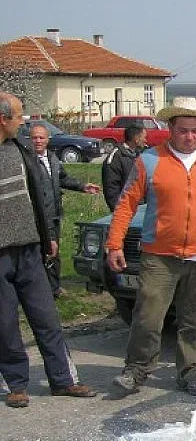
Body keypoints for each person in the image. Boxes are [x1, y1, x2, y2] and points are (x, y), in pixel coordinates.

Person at [105, 97, 196, 396]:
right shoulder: (149, 161)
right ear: (170, 128)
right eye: (183, 130)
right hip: (159, 256)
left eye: (195, 131)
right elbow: (126, 203)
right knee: (148, 317)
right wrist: (114, 244)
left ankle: (190, 370)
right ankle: (136, 370)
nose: (190, 136)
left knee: (194, 319)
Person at [0, 92, 96, 408]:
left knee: (47, 318)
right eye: (19, 117)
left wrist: (47, 236)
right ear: (3, 119)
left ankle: (63, 380)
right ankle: (16, 385)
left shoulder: (22, 150)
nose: (23, 122)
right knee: (6, 325)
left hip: (30, 252)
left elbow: (39, 198)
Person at [29, 122, 101, 297]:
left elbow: (63, 178)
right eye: (34, 138)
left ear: (48, 140)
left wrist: (83, 186)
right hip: (35, 216)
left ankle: (54, 288)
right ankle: (36, 290)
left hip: (53, 214)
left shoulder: (52, 159)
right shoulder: (27, 161)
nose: (38, 141)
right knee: (37, 253)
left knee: (54, 251)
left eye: (41, 138)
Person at [102, 124, 145, 211]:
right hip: (125, 211)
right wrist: (119, 212)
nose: (146, 140)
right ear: (136, 139)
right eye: (144, 137)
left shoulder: (139, 155)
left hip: (142, 209)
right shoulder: (115, 158)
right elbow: (111, 190)